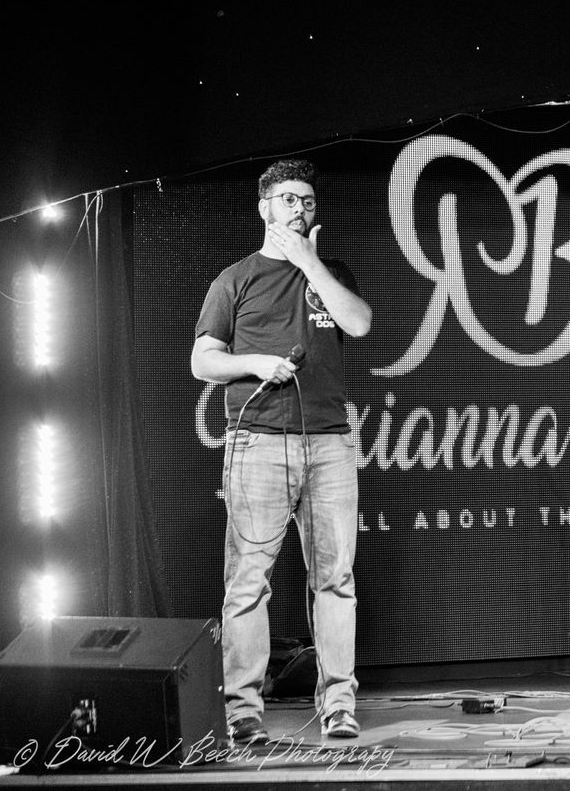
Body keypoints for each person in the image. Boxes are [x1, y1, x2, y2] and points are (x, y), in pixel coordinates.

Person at [191, 159, 372, 747]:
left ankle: (339, 705)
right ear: (264, 207)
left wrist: (308, 261)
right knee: (248, 580)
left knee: (335, 578)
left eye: (308, 200)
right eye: (289, 199)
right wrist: (255, 363)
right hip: (259, 442)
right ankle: (243, 711)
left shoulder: (330, 271)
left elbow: (359, 323)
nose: (300, 208)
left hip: (330, 443)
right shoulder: (235, 279)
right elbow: (202, 360)